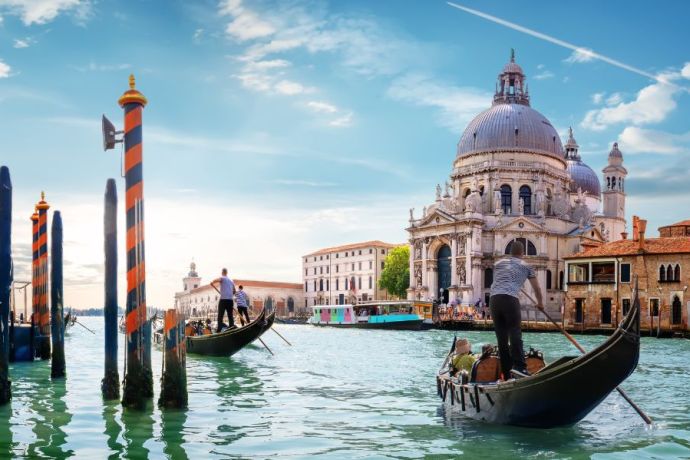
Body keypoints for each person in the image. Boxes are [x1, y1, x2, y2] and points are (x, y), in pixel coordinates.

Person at [489, 241, 543, 379]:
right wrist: (540, 303)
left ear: (510, 252)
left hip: (494, 300)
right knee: (515, 333)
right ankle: (519, 367)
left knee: (501, 338)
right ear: (522, 253)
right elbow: (537, 288)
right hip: (510, 299)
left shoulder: (498, 264)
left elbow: (500, 280)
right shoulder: (526, 266)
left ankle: (506, 373)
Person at [211, 268, 236, 332]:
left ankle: (219, 329)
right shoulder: (231, 280)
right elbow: (234, 291)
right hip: (230, 300)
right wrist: (229, 294)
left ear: (222, 272)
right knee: (230, 315)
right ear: (226, 272)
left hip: (223, 300)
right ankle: (232, 327)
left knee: (220, 315)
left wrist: (212, 282)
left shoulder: (222, 278)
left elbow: (217, 280)